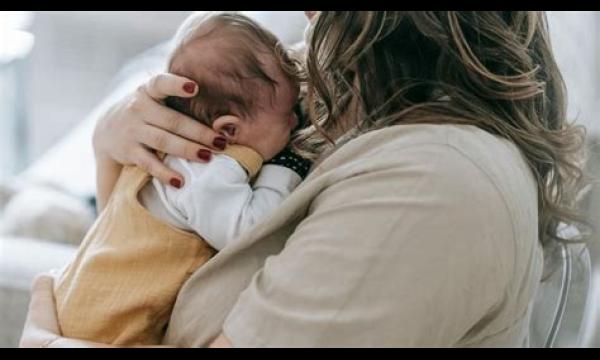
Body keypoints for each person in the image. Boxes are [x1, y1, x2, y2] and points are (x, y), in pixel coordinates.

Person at [20, 11, 588, 347]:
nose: (306, 25)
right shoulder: (341, 96)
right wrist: (113, 140)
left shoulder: (432, 181)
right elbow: (137, 230)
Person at [52, 12, 311, 345]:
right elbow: (250, 230)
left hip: (85, 295)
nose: (296, 121)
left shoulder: (171, 149)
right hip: (107, 324)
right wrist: (286, 165)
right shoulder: (205, 171)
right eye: (288, 114)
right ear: (228, 129)